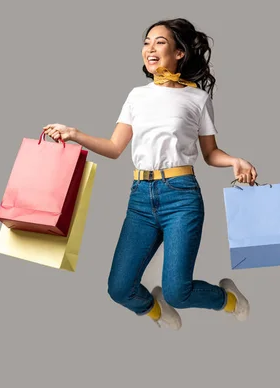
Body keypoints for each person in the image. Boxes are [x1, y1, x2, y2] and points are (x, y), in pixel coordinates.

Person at [43, 18, 257, 330]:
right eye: (146, 42)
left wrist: (235, 160)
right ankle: (154, 308)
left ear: (179, 53)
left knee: (179, 292)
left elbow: (210, 154)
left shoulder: (197, 99)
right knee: (119, 288)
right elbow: (116, 147)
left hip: (181, 198)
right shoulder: (136, 96)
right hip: (141, 199)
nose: (150, 48)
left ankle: (228, 299)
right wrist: (73, 133)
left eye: (159, 42)